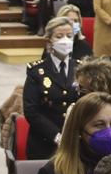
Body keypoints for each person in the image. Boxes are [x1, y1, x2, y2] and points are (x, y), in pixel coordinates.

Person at [21, 18, 84, 160]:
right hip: (44, 142)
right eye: (59, 36)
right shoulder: (37, 71)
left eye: (69, 36)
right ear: (49, 41)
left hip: (75, 143)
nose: (65, 40)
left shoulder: (81, 69)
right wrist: (56, 135)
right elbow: (31, 111)